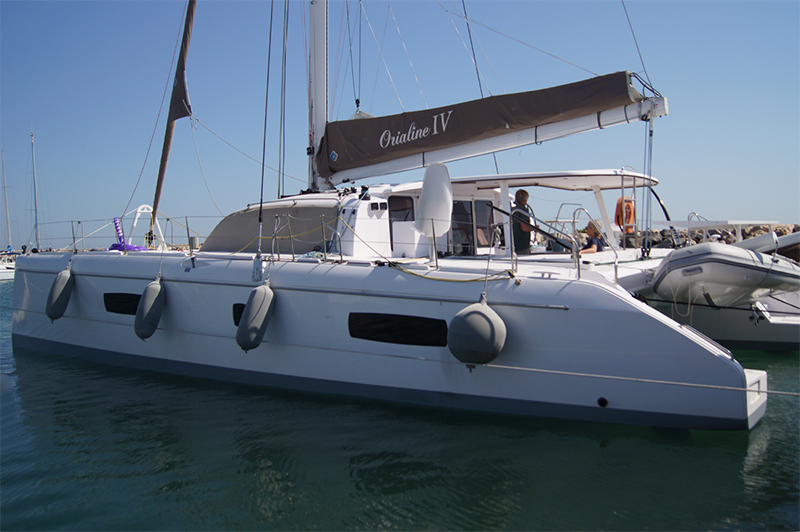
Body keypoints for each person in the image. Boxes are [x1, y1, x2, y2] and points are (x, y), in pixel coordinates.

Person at [511, 189, 535, 254]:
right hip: (522, 246)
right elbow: (524, 228)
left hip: (513, 244)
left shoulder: (512, 209)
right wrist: (534, 228)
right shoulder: (522, 210)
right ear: (525, 200)